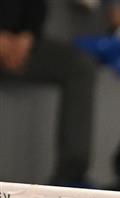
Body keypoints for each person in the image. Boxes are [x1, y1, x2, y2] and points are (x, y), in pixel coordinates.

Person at [0, 0, 97, 185]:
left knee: (80, 67)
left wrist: (28, 35)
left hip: (22, 44)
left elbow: (36, 6)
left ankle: (70, 176)